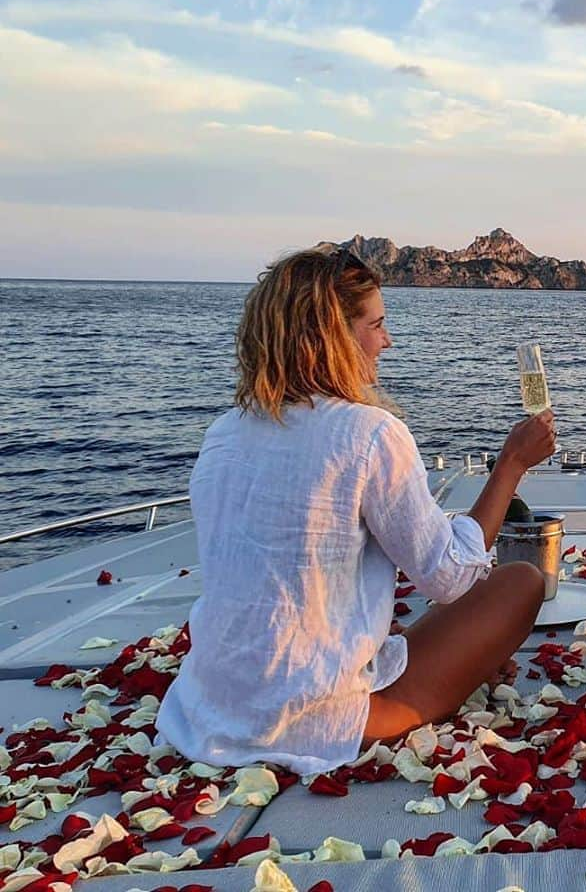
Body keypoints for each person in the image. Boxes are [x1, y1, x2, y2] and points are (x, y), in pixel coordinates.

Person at [156, 238, 556, 774]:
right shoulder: (369, 433)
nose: (386, 342)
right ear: (333, 338)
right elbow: (449, 577)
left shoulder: (224, 433)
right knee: (519, 583)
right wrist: (511, 464)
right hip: (318, 719)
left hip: (208, 706)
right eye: (375, 325)